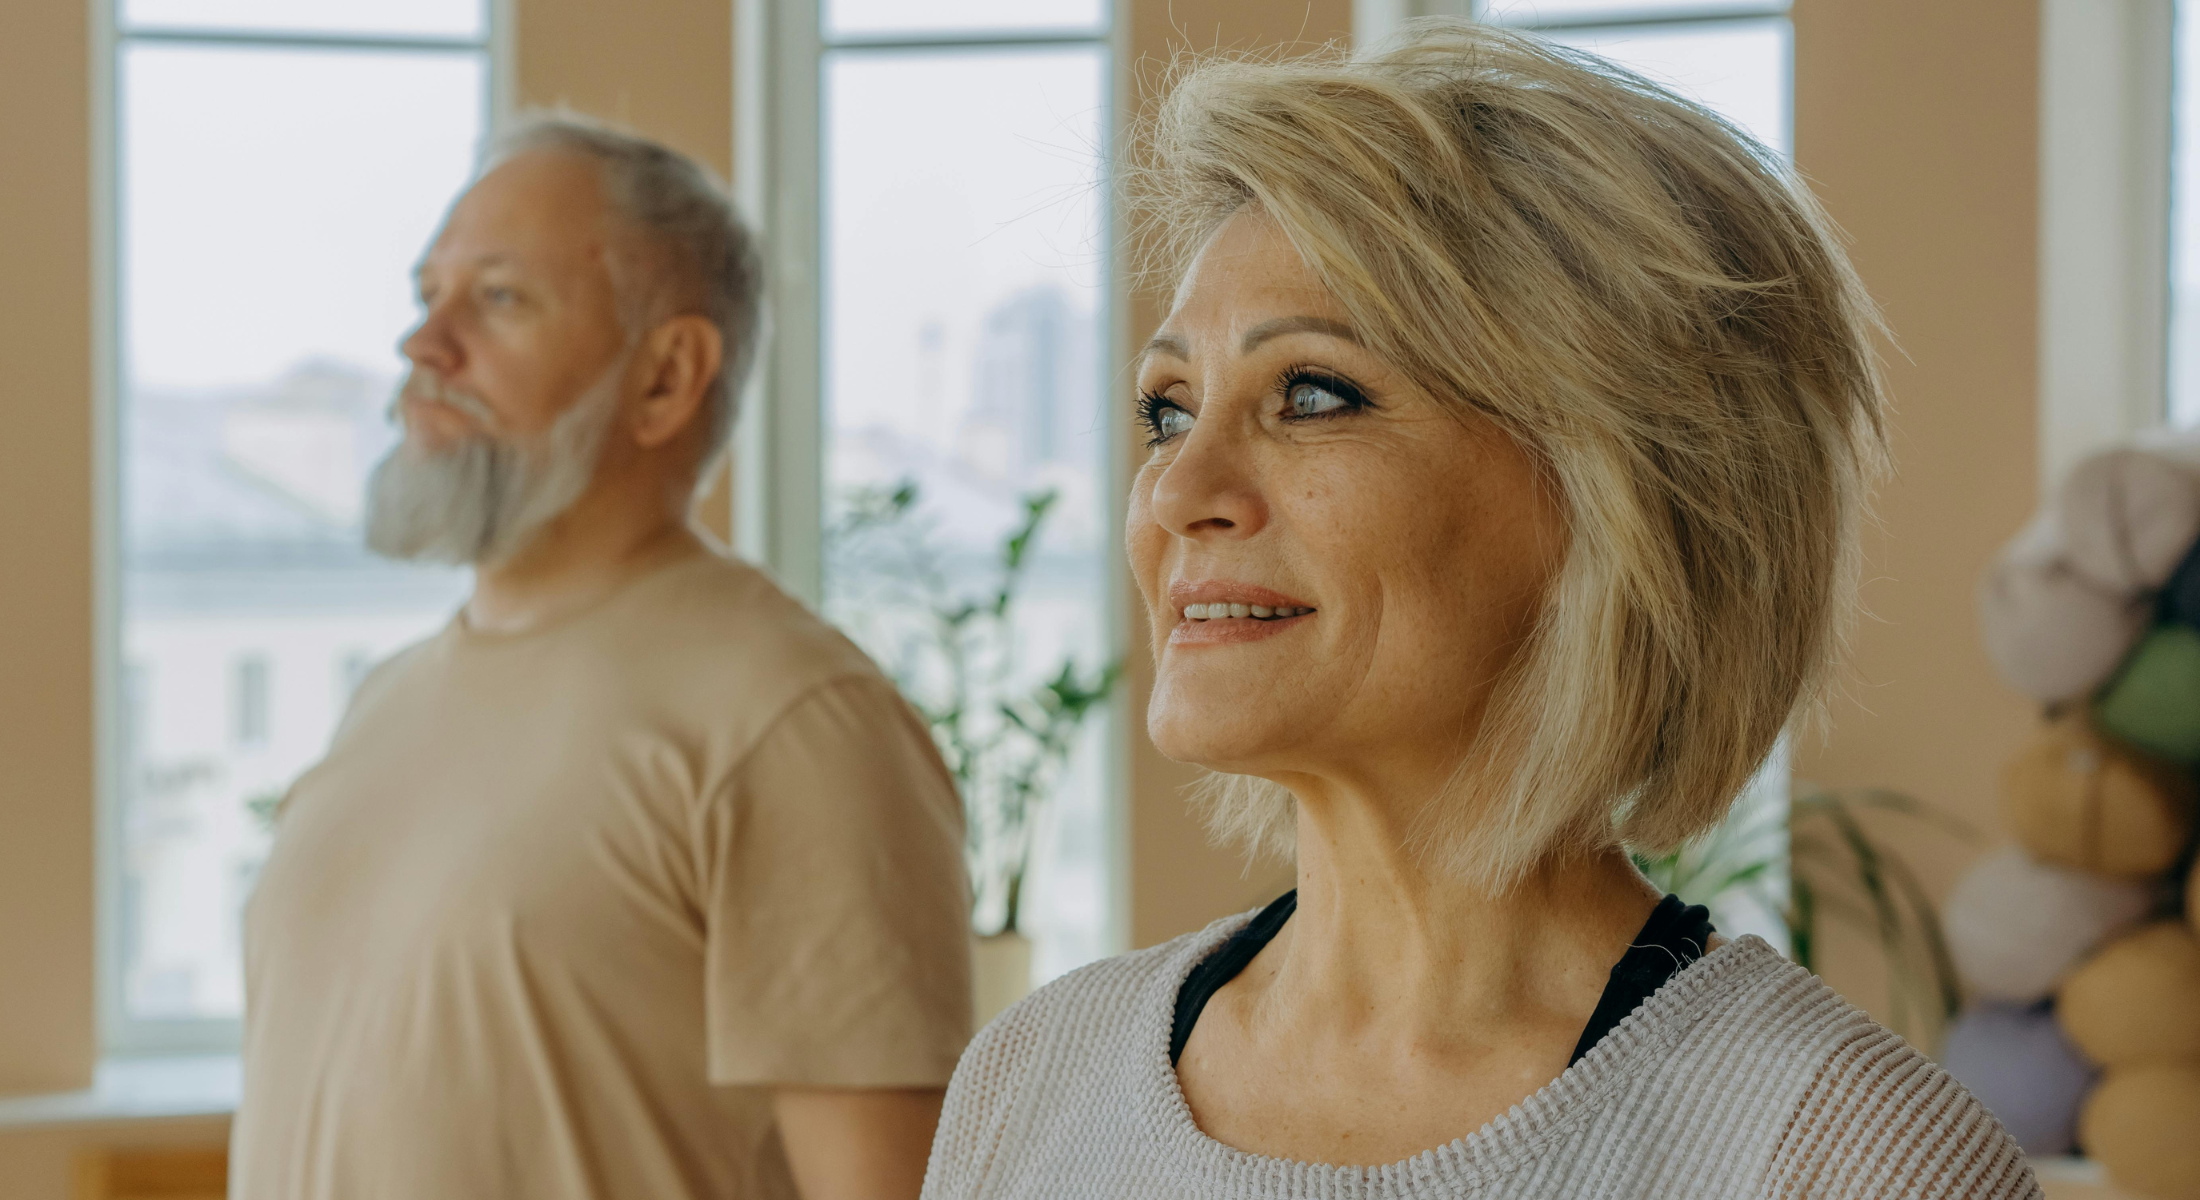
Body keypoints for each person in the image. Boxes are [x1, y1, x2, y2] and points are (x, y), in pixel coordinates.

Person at [923, 23, 2035, 1200]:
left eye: (1311, 394)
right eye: (1168, 408)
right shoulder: (1031, 1080)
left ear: (1618, 492)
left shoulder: (1846, 1162)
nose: (1179, 491)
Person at [231, 111, 972, 1200]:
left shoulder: (794, 718)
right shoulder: (385, 702)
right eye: (425, 295)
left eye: (496, 298)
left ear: (667, 375)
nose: (423, 346)